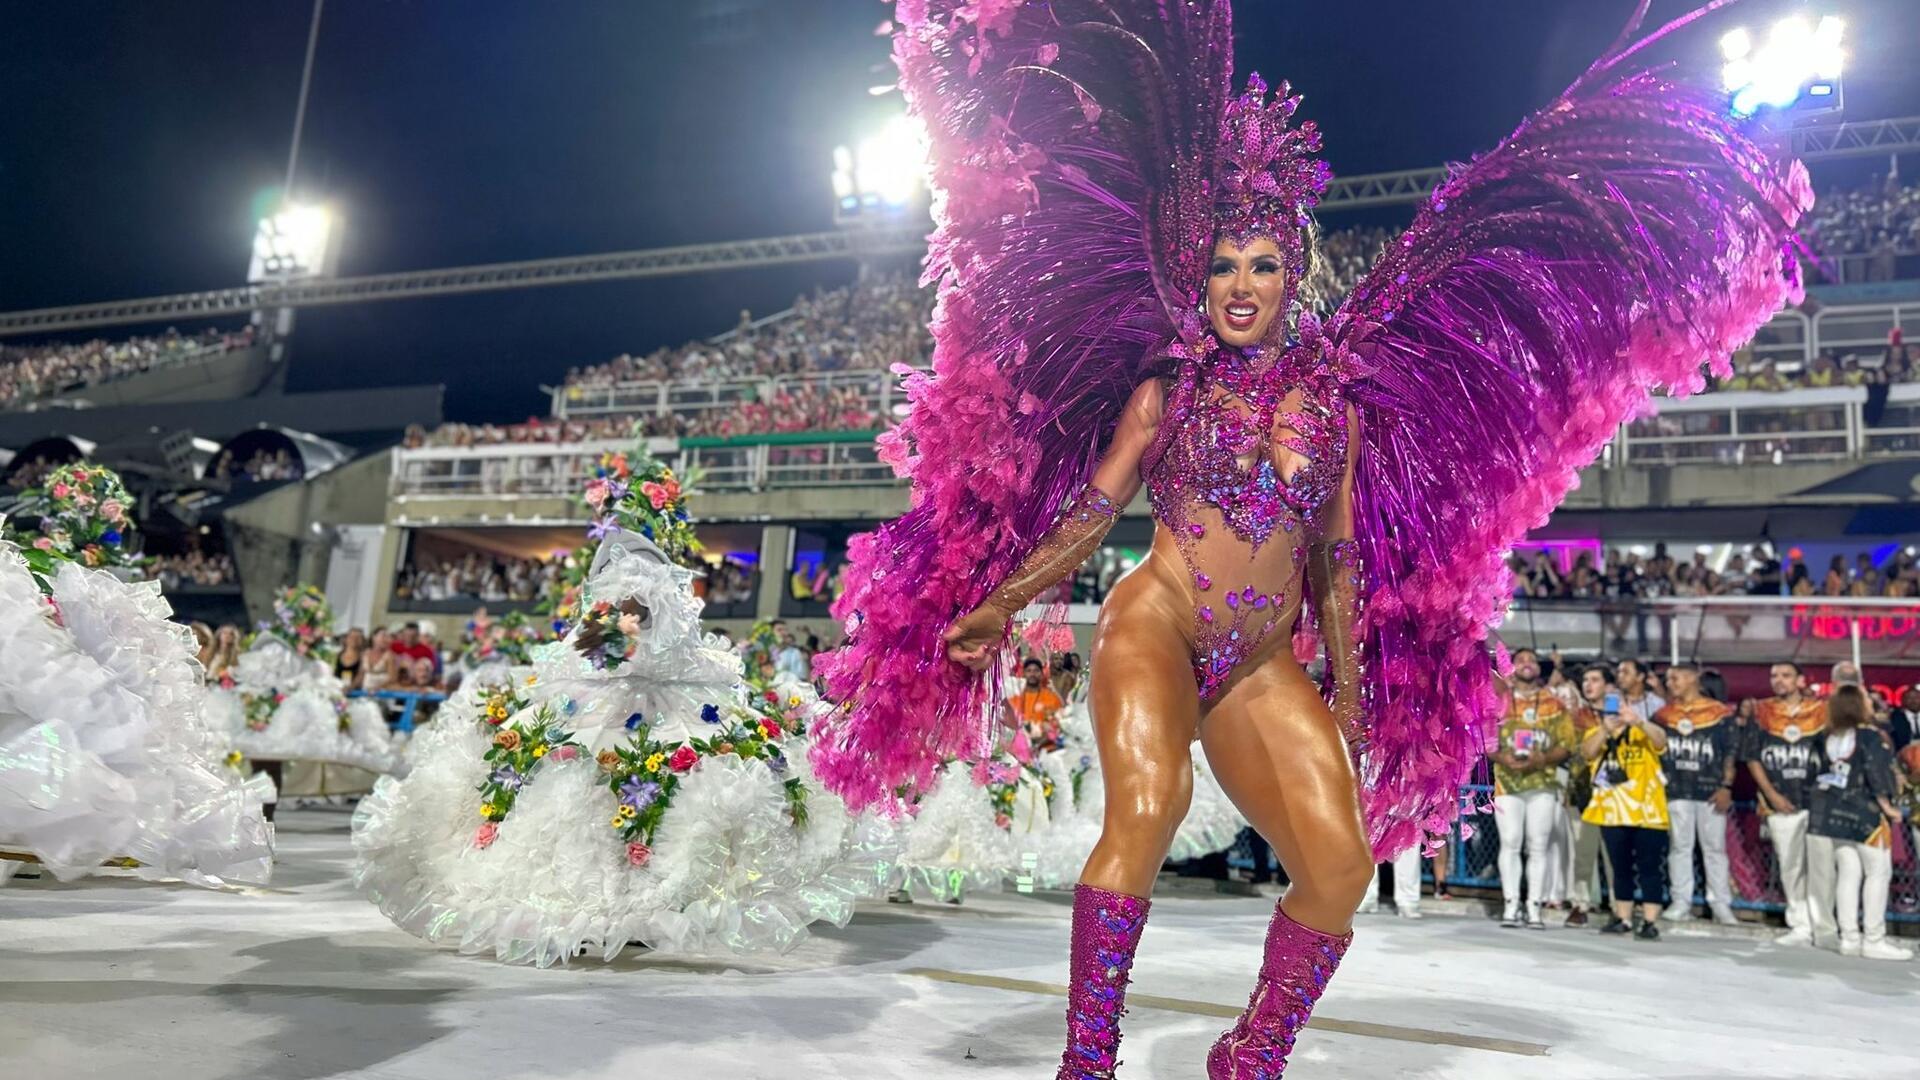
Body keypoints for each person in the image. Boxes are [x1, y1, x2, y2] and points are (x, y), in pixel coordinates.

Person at [811, 5, 1806, 1076]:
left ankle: (1252, 1052)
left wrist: (1348, 685)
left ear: (1296, 273)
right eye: (1225, 266)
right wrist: (1008, 603)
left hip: (1262, 659)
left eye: (1263, 266)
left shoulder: (1341, 409)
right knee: (1149, 807)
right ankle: (1087, 1061)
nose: (1241, 286)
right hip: (1159, 622)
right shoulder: (1167, 390)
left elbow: (1334, 556)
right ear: (1202, 278)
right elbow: (1096, 513)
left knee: (1337, 869)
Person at [1805, 686, 1911, 960]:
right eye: (1865, 698)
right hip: (1864, 814)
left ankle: (1849, 938)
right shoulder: (1870, 737)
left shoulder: (1822, 737)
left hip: (1831, 813)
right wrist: (1888, 806)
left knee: (1848, 874)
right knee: (1878, 872)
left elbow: (1813, 775)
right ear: (1857, 705)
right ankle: (1874, 939)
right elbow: (1876, 772)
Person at [1742, 661, 1827, 945]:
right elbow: (1752, 757)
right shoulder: (1761, 711)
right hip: (1779, 800)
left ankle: (1824, 925)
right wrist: (1771, 795)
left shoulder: (1822, 711)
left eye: (1786, 675)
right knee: (1790, 865)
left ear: (1801, 680)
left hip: (1818, 801)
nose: (1779, 680)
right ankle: (1800, 924)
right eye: (1774, 676)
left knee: (1821, 866)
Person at [1491, 648, 1576, 929]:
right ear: (1512, 668)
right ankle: (1511, 905)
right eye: (1520, 660)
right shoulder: (1500, 702)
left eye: (1531, 660)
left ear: (1539, 669)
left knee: (1538, 845)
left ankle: (1535, 907)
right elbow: (1485, 737)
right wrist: (1502, 757)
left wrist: (1543, 758)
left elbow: (1566, 745)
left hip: (1543, 782)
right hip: (1508, 780)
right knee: (1511, 841)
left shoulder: (1554, 704)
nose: (1527, 664)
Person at [1652, 664, 1739, 926]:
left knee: (1714, 848)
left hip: (1710, 790)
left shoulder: (1720, 714)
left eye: (1676, 677)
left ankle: (1721, 904)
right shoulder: (1663, 716)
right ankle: (1681, 901)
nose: (1671, 683)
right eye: (1668, 679)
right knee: (1680, 846)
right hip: (1676, 789)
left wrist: (1726, 786)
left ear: (1694, 678)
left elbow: (1730, 753)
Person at [1581, 693, 1671, 940]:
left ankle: (1650, 922)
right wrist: (1604, 729)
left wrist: (1638, 721)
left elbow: (1661, 741)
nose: (1617, 713)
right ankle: (1624, 918)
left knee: (1650, 868)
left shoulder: (1642, 730)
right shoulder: (1596, 732)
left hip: (1648, 812)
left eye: (1621, 707)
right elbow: (1587, 753)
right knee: (1620, 868)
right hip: (1612, 812)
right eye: (1612, 708)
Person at [1563, 663, 1615, 927]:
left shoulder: (1621, 713)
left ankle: (1620, 907)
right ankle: (1580, 904)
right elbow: (1572, 750)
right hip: (1582, 791)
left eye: (1595, 680)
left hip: (1617, 794)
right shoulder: (1576, 716)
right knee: (1583, 853)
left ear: (1608, 685)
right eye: (1585, 680)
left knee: (1615, 854)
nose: (1588, 685)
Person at [1009, 656, 1067, 752]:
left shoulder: (1052, 698)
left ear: (1041, 674)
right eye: (1029, 671)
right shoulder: (1015, 700)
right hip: (1020, 752)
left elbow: (1061, 724)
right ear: (1024, 673)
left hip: (1047, 751)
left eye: (1036, 671)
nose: (1032, 674)